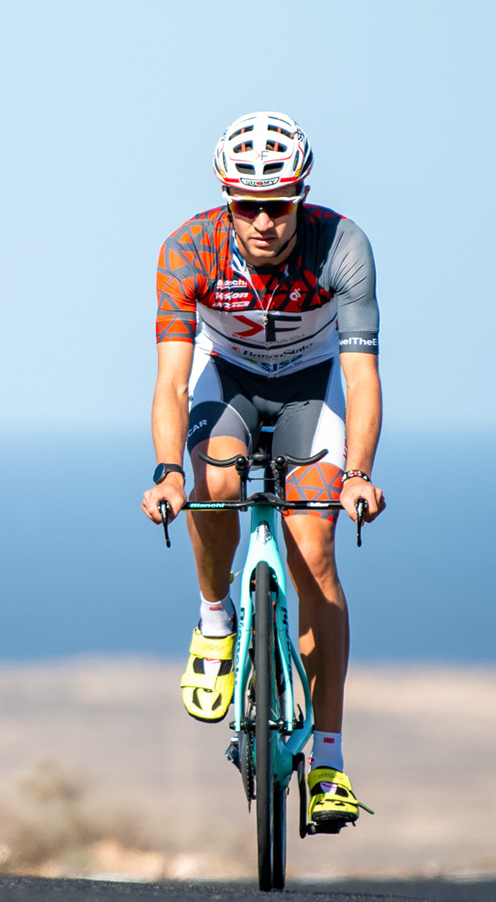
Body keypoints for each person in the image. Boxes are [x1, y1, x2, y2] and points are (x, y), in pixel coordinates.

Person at [138, 111, 387, 832]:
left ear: (300, 197)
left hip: (312, 389)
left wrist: (359, 474)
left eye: (278, 205)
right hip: (229, 384)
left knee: (316, 550)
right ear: (227, 198)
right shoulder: (188, 249)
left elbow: (362, 379)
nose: (264, 222)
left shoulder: (342, 246)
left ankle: (330, 762)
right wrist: (168, 472)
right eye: (247, 206)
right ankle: (215, 617)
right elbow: (170, 381)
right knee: (215, 484)